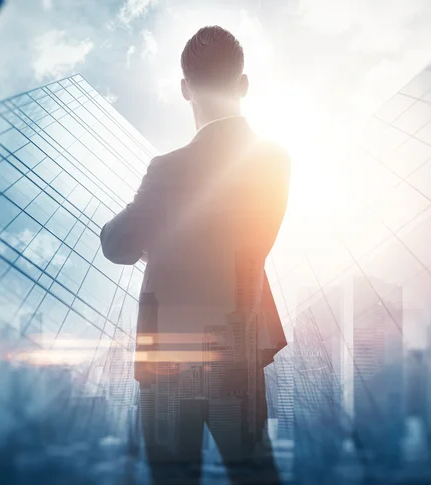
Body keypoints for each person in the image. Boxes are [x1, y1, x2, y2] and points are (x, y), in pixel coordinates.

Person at [100, 25, 290, 485]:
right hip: (238, 349)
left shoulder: (167, 169)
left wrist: (161, 238)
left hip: (169, 355)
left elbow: (116, 243)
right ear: (243, 85)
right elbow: (250, 241)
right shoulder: (274, 161)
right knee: (254, 475)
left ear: (185, 90)